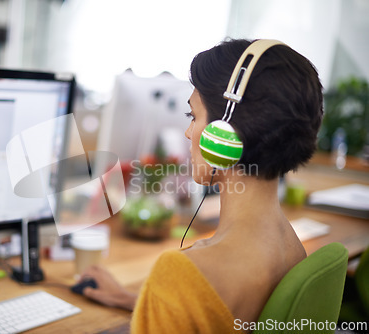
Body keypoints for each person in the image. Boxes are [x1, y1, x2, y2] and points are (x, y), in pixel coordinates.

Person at [78, 39, 323, 333]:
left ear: (222, 135)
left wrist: (166, 293)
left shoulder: (188, 273)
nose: (187, 131)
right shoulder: (290, 245)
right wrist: (138, 300)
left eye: (193, 116)